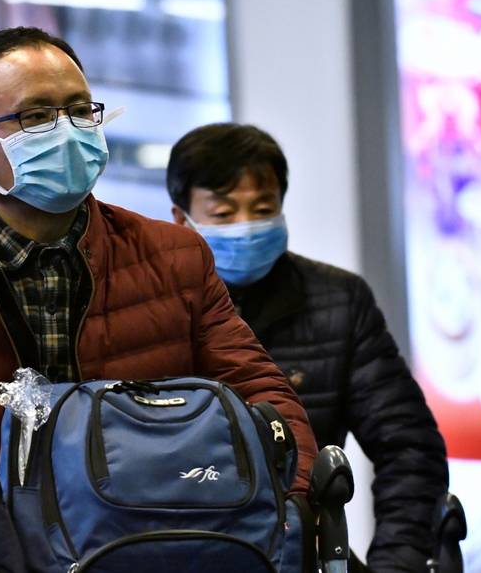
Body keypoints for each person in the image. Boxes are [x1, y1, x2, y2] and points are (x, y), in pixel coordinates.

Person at [0, 27, 318, 573]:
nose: (67, 131)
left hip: (150, 550)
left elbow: (262, 395)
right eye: (35, 117)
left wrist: (287, 514)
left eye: (81, 111)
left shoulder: (173, 256)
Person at [166, 122, 449, 572]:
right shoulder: (154, 308)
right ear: (181, 218)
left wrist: (397, 561)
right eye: (222, 215)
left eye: (262, 208)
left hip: (305, 553)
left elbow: (408, 446)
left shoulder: (338, 300)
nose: (247, 227)